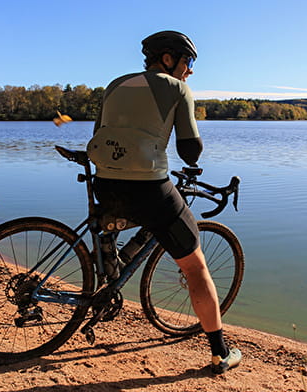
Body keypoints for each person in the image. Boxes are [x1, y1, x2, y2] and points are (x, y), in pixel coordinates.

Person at [87, 30, 241, 374]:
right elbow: (190, 150)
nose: (190, 70)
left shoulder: (115, 84)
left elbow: (100, 131)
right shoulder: (177, 88)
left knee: (120, 217)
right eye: (188, 61)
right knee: (195, 266)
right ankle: (219, 354)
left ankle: (109, 260)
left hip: (105, 182)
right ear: (169, 59)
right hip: (149, 187)